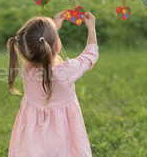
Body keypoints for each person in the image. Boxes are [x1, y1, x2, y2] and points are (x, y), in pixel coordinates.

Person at [7, 11, 99, 157]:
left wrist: (53, 28)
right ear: (56, 47)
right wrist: (91, 27)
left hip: (34, 129)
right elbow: (90, 55)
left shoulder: (26, 67)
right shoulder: (65, 73)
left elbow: (40, 45)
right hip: (62, 130)